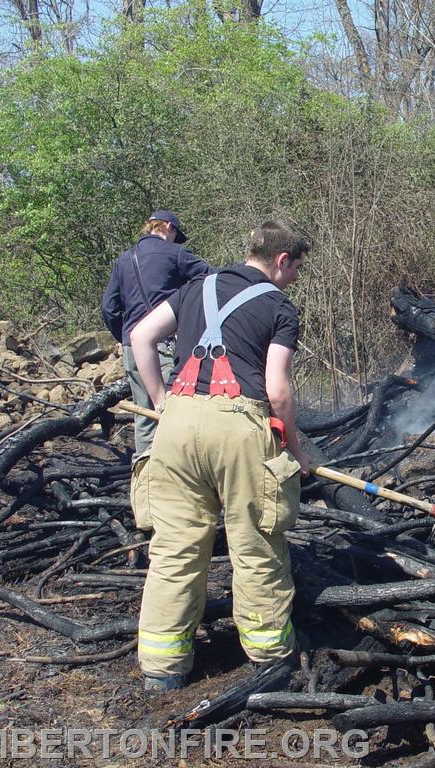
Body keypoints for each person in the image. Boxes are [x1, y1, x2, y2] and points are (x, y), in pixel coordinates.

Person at [129, 220, 312, 691]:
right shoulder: (278, 306)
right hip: (239, 428)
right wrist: (295, 451)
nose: (295, 279)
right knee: (256, 544)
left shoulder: (194, 287)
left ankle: (163, 668)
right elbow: (277, 390)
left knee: (174, 547)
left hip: (175, 429)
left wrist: (160, 401)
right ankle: (270, 659)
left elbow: (141, 337)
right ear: (282, 260)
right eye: (296, 269)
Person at [101, 209, 210, 460]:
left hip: (132, 347)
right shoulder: (176, 254)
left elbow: (109, 308)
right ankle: (179, 470)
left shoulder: (123, 260)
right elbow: (214, 280)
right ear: (168, 227)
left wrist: (126, 338)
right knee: (178, 410)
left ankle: (145, 474)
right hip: (166, 345)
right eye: (176, 235)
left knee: (144, 415)